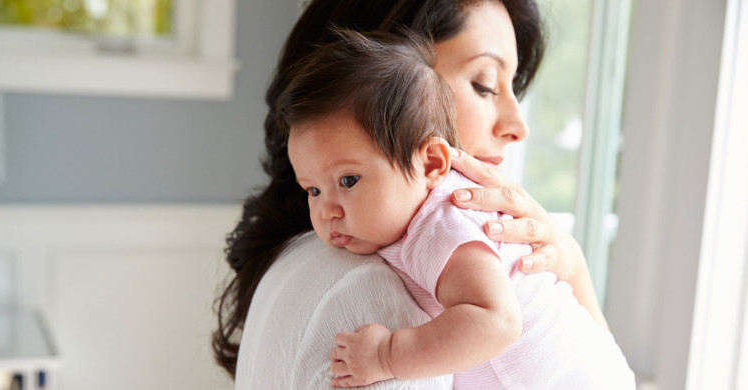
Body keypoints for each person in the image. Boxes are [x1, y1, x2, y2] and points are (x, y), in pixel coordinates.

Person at [214, 0, 609, 388]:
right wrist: (385, 355)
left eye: (513, 87)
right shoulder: (363, 284)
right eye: (484, 84)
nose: (518, 126)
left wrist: (571, 267)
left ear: (434, 162)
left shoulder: (434, 227)